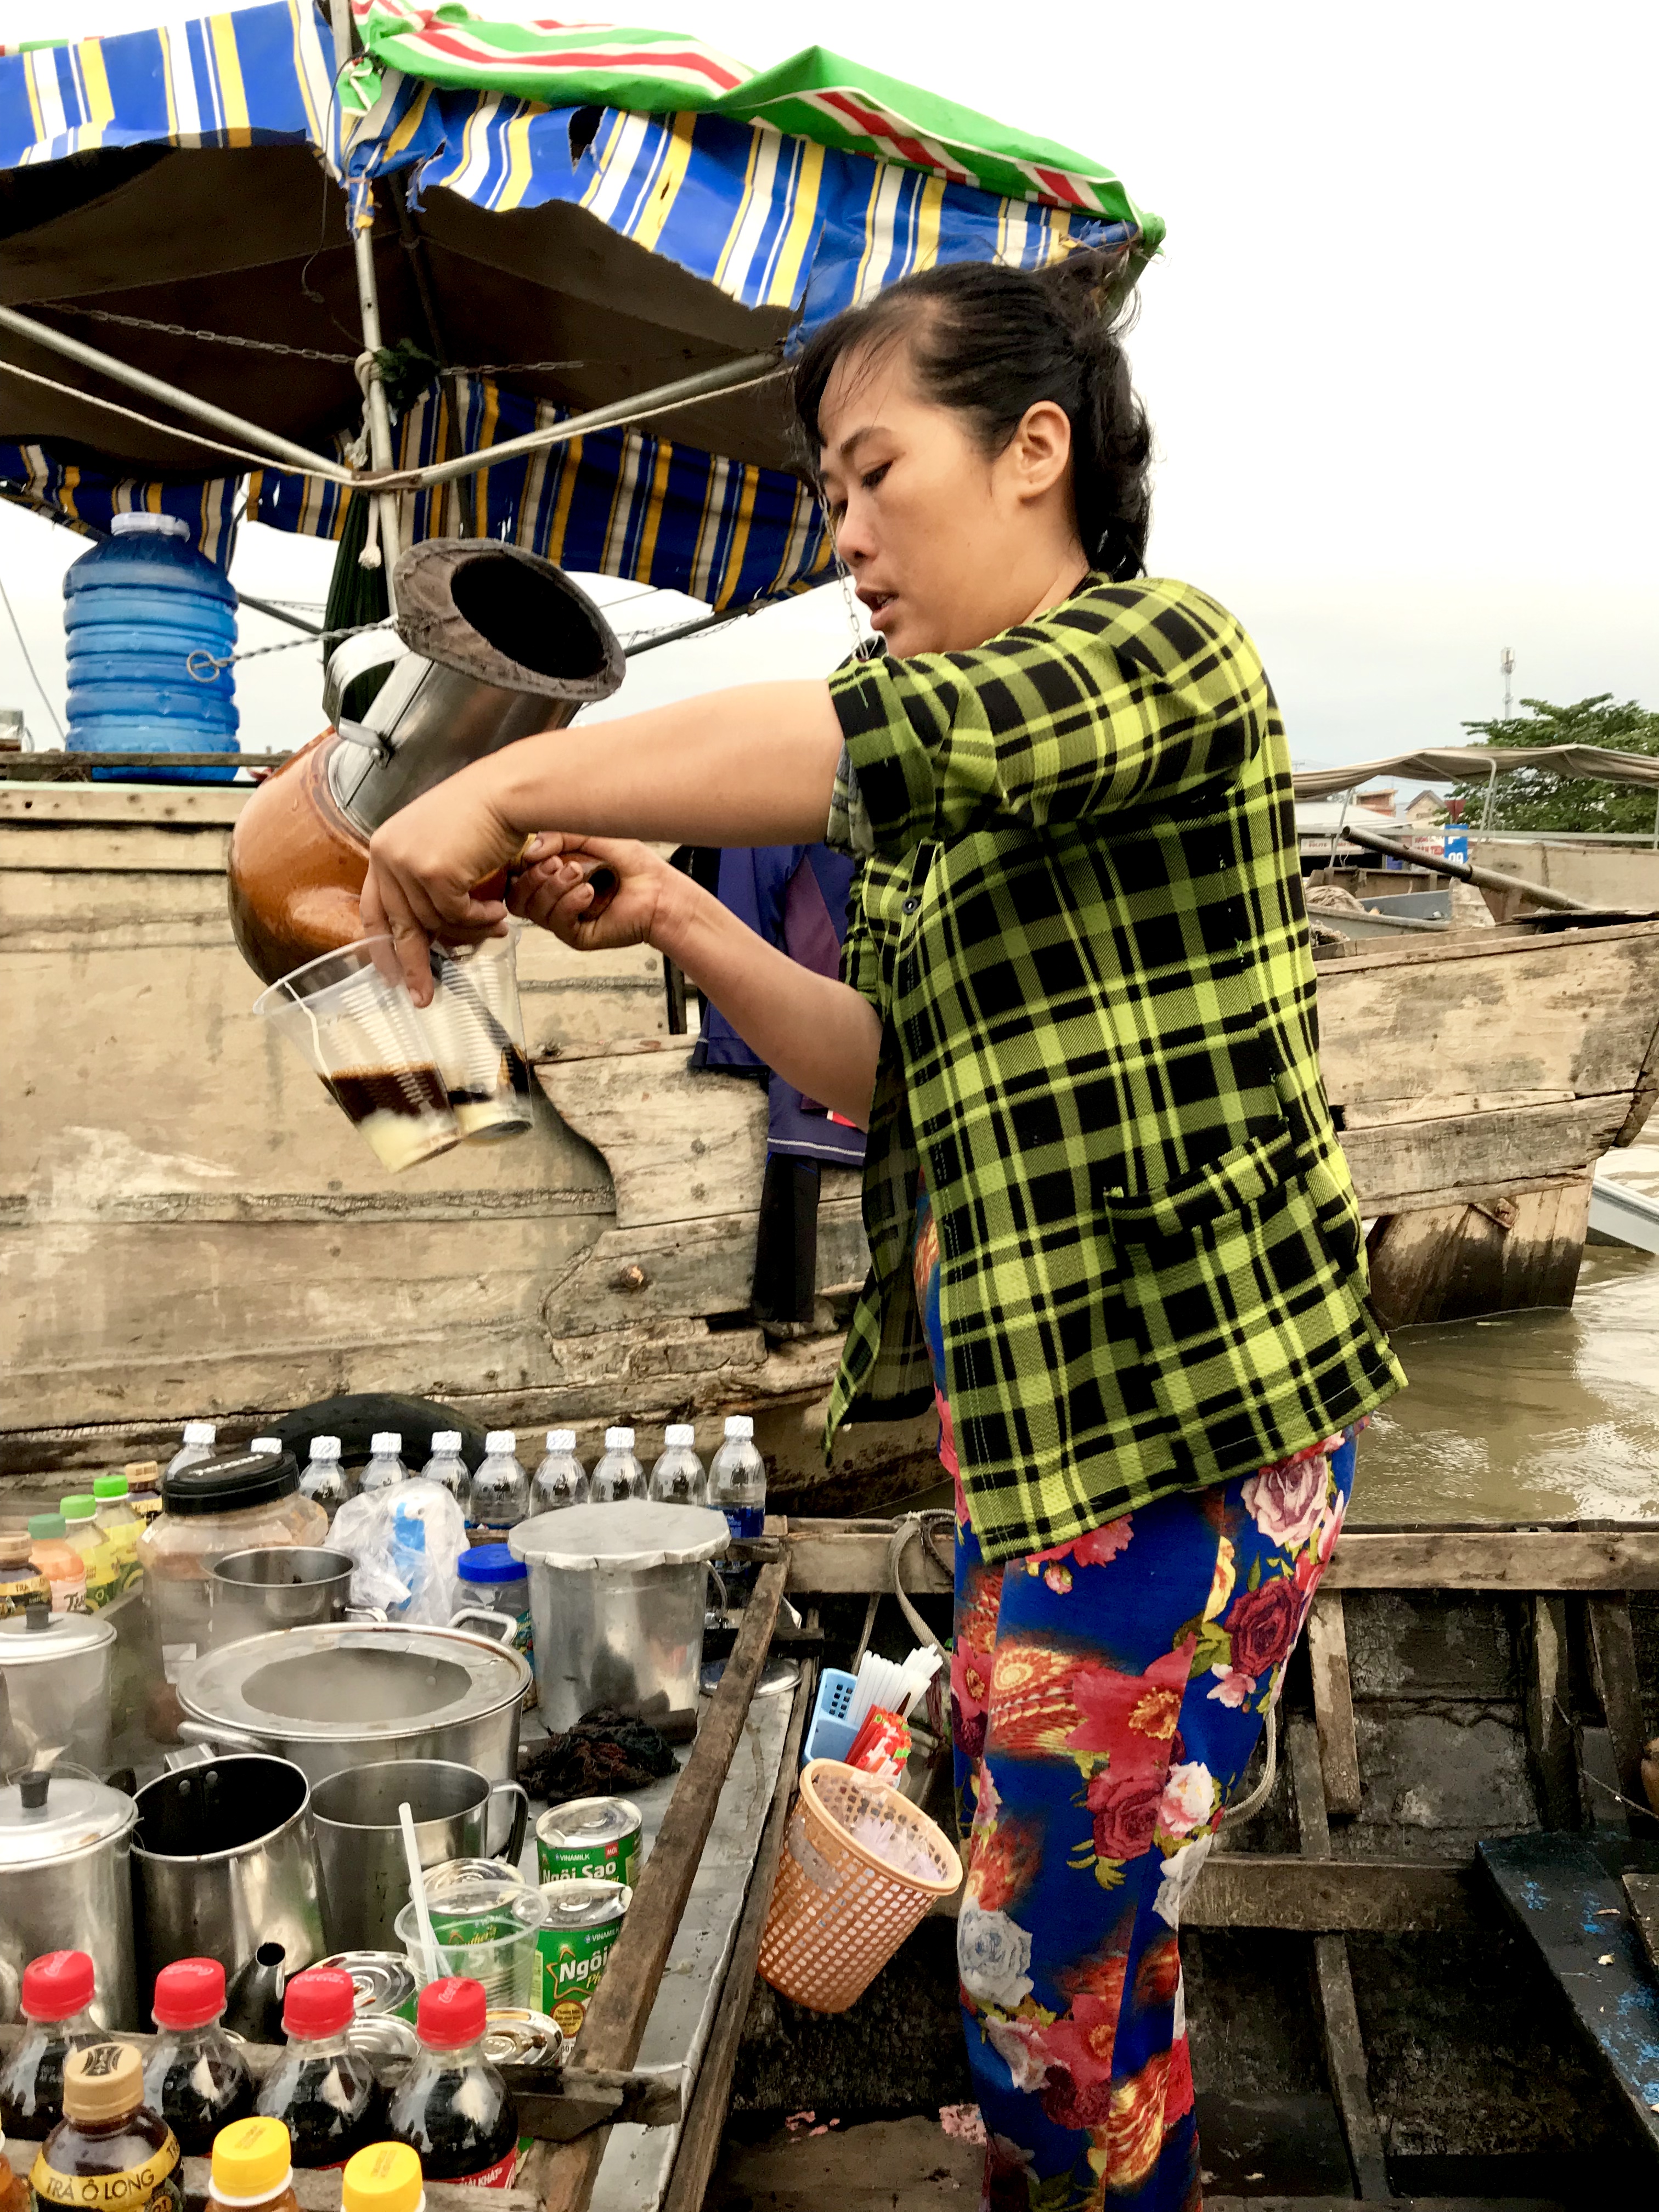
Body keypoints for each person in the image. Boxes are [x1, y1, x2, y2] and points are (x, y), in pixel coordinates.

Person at [360, 253, 1406, 2209]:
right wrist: (681, 913)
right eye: (829, 493)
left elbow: (866, 742)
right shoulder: (944, 790)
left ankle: (1073, 2177)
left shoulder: (1163, 655)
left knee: (1042, 1959)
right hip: (1045, 1453)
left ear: (1035, 449)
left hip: (1187, 1445)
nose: (845, 533)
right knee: (1081, 1938)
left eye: (871, 472)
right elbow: (886, 1069)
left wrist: (501, 781)